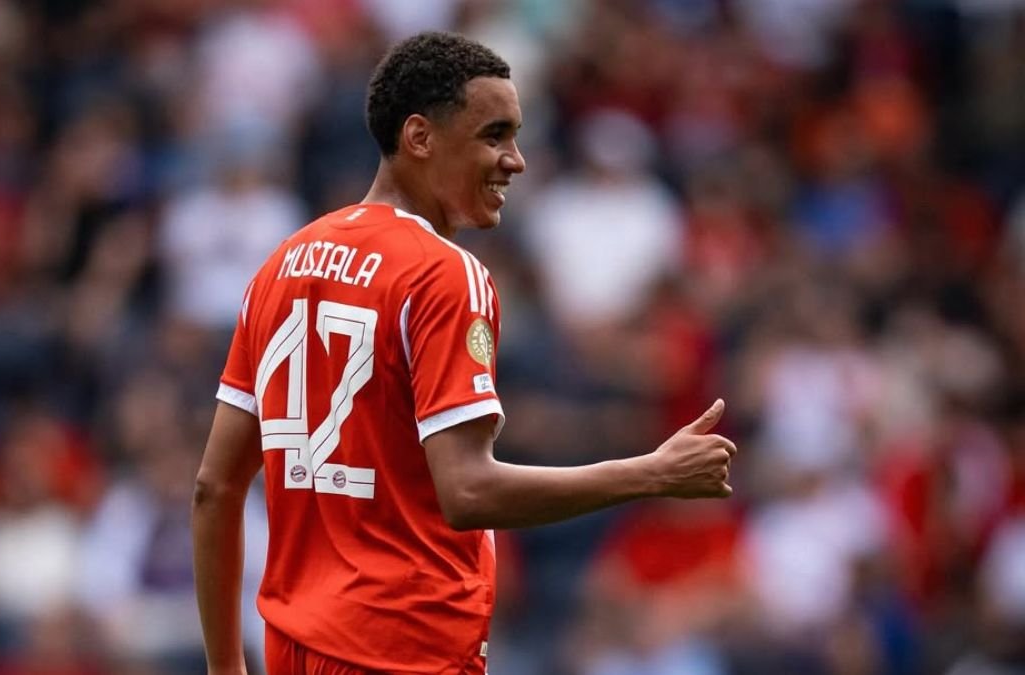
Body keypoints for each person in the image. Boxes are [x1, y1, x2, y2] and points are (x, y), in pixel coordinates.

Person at [191, 31, 738, 675]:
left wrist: (225, 667)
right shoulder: (444, 274)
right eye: (494, 135)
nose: (516, 161)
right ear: (420, 137)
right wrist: (652, 473)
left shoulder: (282, 265)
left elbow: (214, 487)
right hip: (402, 649)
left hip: (295, 648)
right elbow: (468, 490)